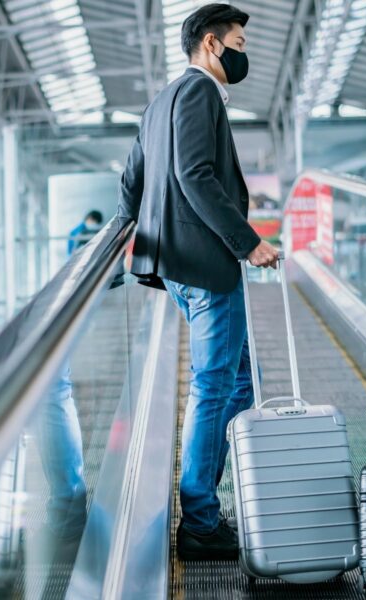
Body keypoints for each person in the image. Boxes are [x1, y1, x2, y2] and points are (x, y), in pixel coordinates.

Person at [116, 3, 280, 560]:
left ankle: (208, 507)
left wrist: (129, 236)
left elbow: (132, 179)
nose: (241, 51)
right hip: (207, 265)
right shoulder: (200, 93)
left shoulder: (159, 101)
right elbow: (194, 174)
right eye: (236, 40)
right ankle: (201, 522)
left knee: (236, 384)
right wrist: (248, 241)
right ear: (212, 44)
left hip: (176, 263)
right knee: (215, 387)